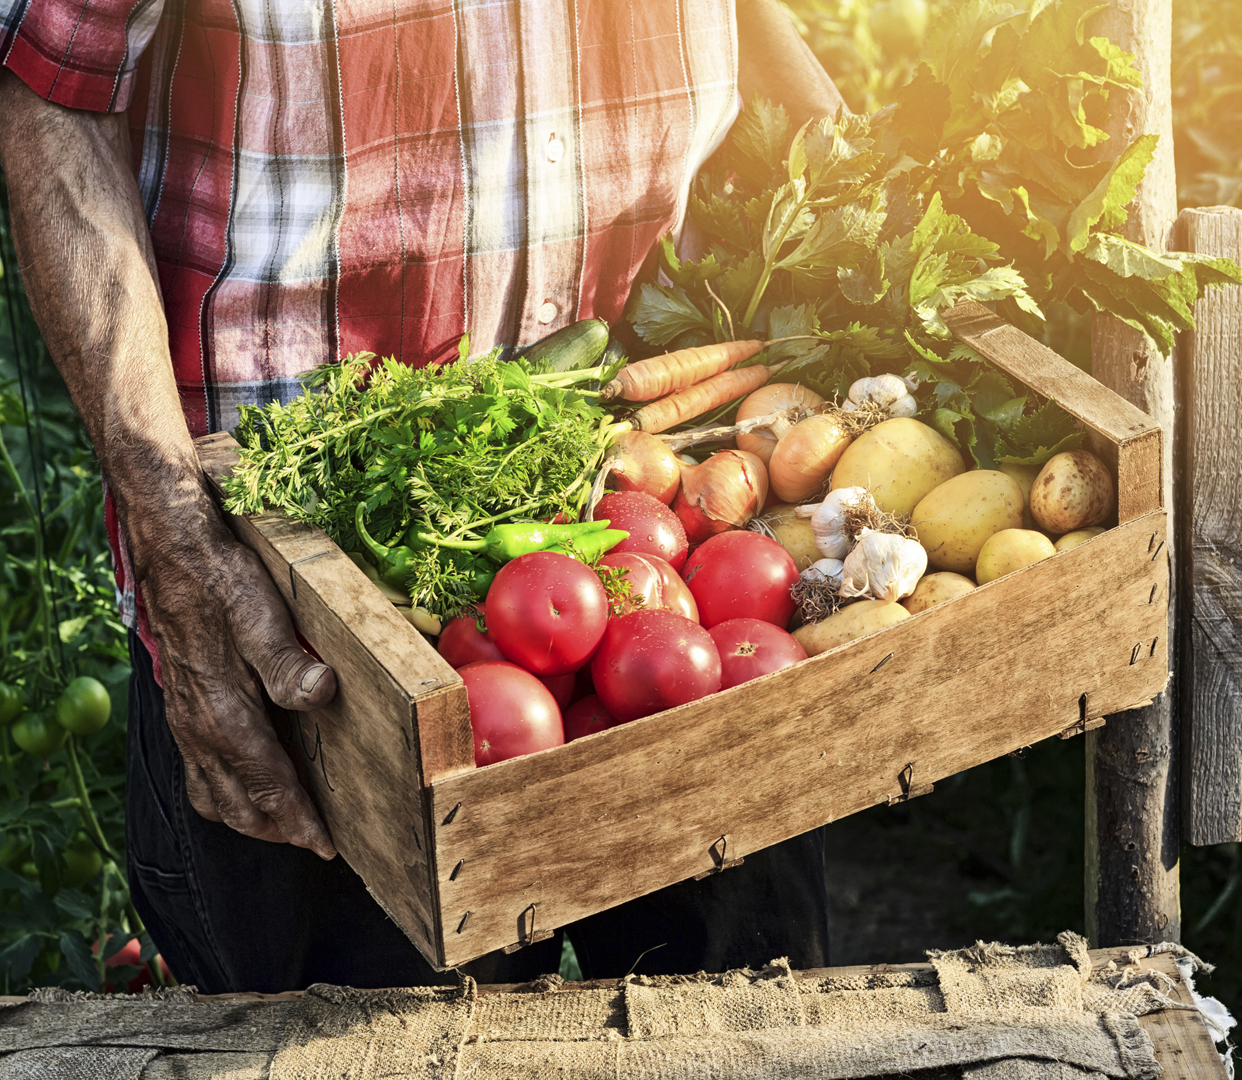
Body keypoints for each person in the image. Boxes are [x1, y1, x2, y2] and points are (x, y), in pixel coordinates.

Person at [0, 0, 842, 994]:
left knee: (745, 1027)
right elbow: (57, 91)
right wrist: (172, 532)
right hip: (305, 622)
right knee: (353, 1038)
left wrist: (828, 160)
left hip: (671, 548)